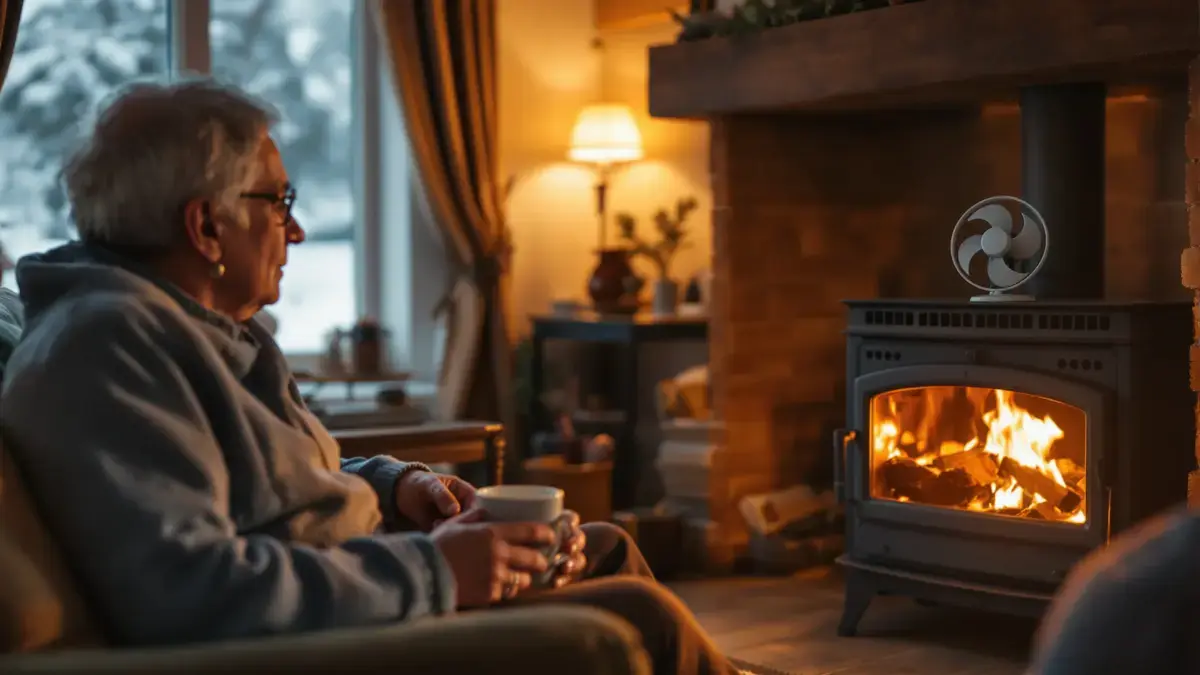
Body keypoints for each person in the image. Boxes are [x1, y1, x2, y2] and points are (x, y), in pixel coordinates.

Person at [0, 79, 735, 675]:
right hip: (313, 638)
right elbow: (188, 591)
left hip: (351, 583)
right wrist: (435, 570)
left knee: (602, 544)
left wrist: (393, 486)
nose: (296, 230)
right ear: (205, 226)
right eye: (278, 201)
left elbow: (263, 477)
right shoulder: (109, 347)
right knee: (643, 619)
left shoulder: (204, 331)